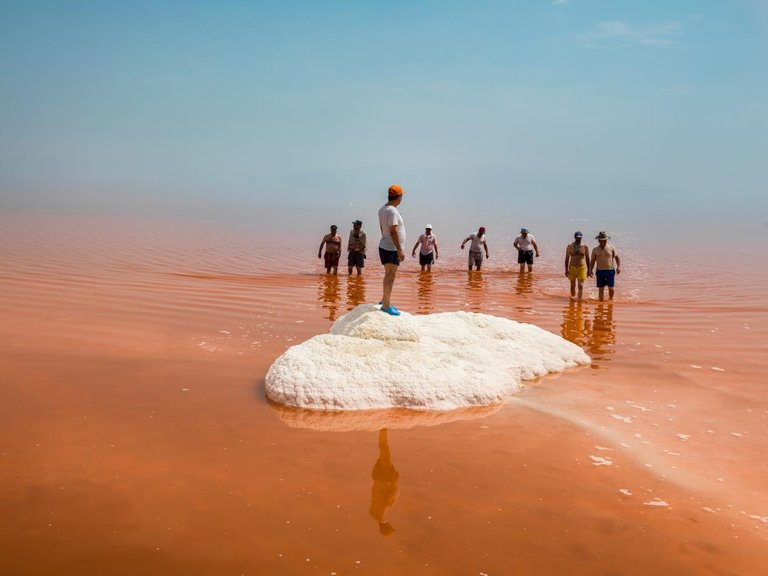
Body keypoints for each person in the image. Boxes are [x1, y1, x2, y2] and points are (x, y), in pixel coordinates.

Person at [378, 184, 406, 316]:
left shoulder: (382, 209)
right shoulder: (393, 211)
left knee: (388, 275)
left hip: (385, 245)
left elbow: (382, 228)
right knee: (391, 276)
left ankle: (385, 300)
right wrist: (399, 250)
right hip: (391, 248)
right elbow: (394, 231)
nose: (402, 199)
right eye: (401, 196)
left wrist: (386, 238)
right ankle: (386, 305)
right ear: (398, 197)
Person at [589, 231, 621, 301]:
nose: (604, 241)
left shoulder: (611, 247)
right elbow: (592, 261)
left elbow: (617, 257)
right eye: (602, 240)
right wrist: (590, 269)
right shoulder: (595, 250)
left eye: (605, 240)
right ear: (599, 240)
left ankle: (611, 300)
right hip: (600, 271)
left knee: (611, 288)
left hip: (610, 271)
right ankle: (601, 303)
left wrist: (619, 267)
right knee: (601, 289)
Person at [564, 231, 591, 300]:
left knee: (580, 285)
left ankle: (579, 300)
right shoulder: (570, 246)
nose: (578, 239)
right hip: (572, 267)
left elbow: (587, 258)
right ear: (574, 237)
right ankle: (573, 298)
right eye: (577, 237)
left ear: (581, 238)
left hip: (581, 267)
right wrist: (566, 270)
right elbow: (567, 258)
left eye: (580, 237)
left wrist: (589, 270)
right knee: (572, 286)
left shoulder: (585, 246)